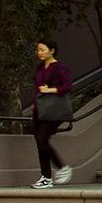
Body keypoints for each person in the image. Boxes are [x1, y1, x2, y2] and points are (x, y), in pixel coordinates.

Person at [28, 40, 73, 189]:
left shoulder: (59, 67)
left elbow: (67, 86)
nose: (39, 52)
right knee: (41, 144)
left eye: (43, 50)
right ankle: (46, 177)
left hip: (54, 111)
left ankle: (62, 168)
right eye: (38, 50)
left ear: (52, 50)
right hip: (40, 110)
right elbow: (38, 88)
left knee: (42, 140)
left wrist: (50, 90)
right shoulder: (40, 68)